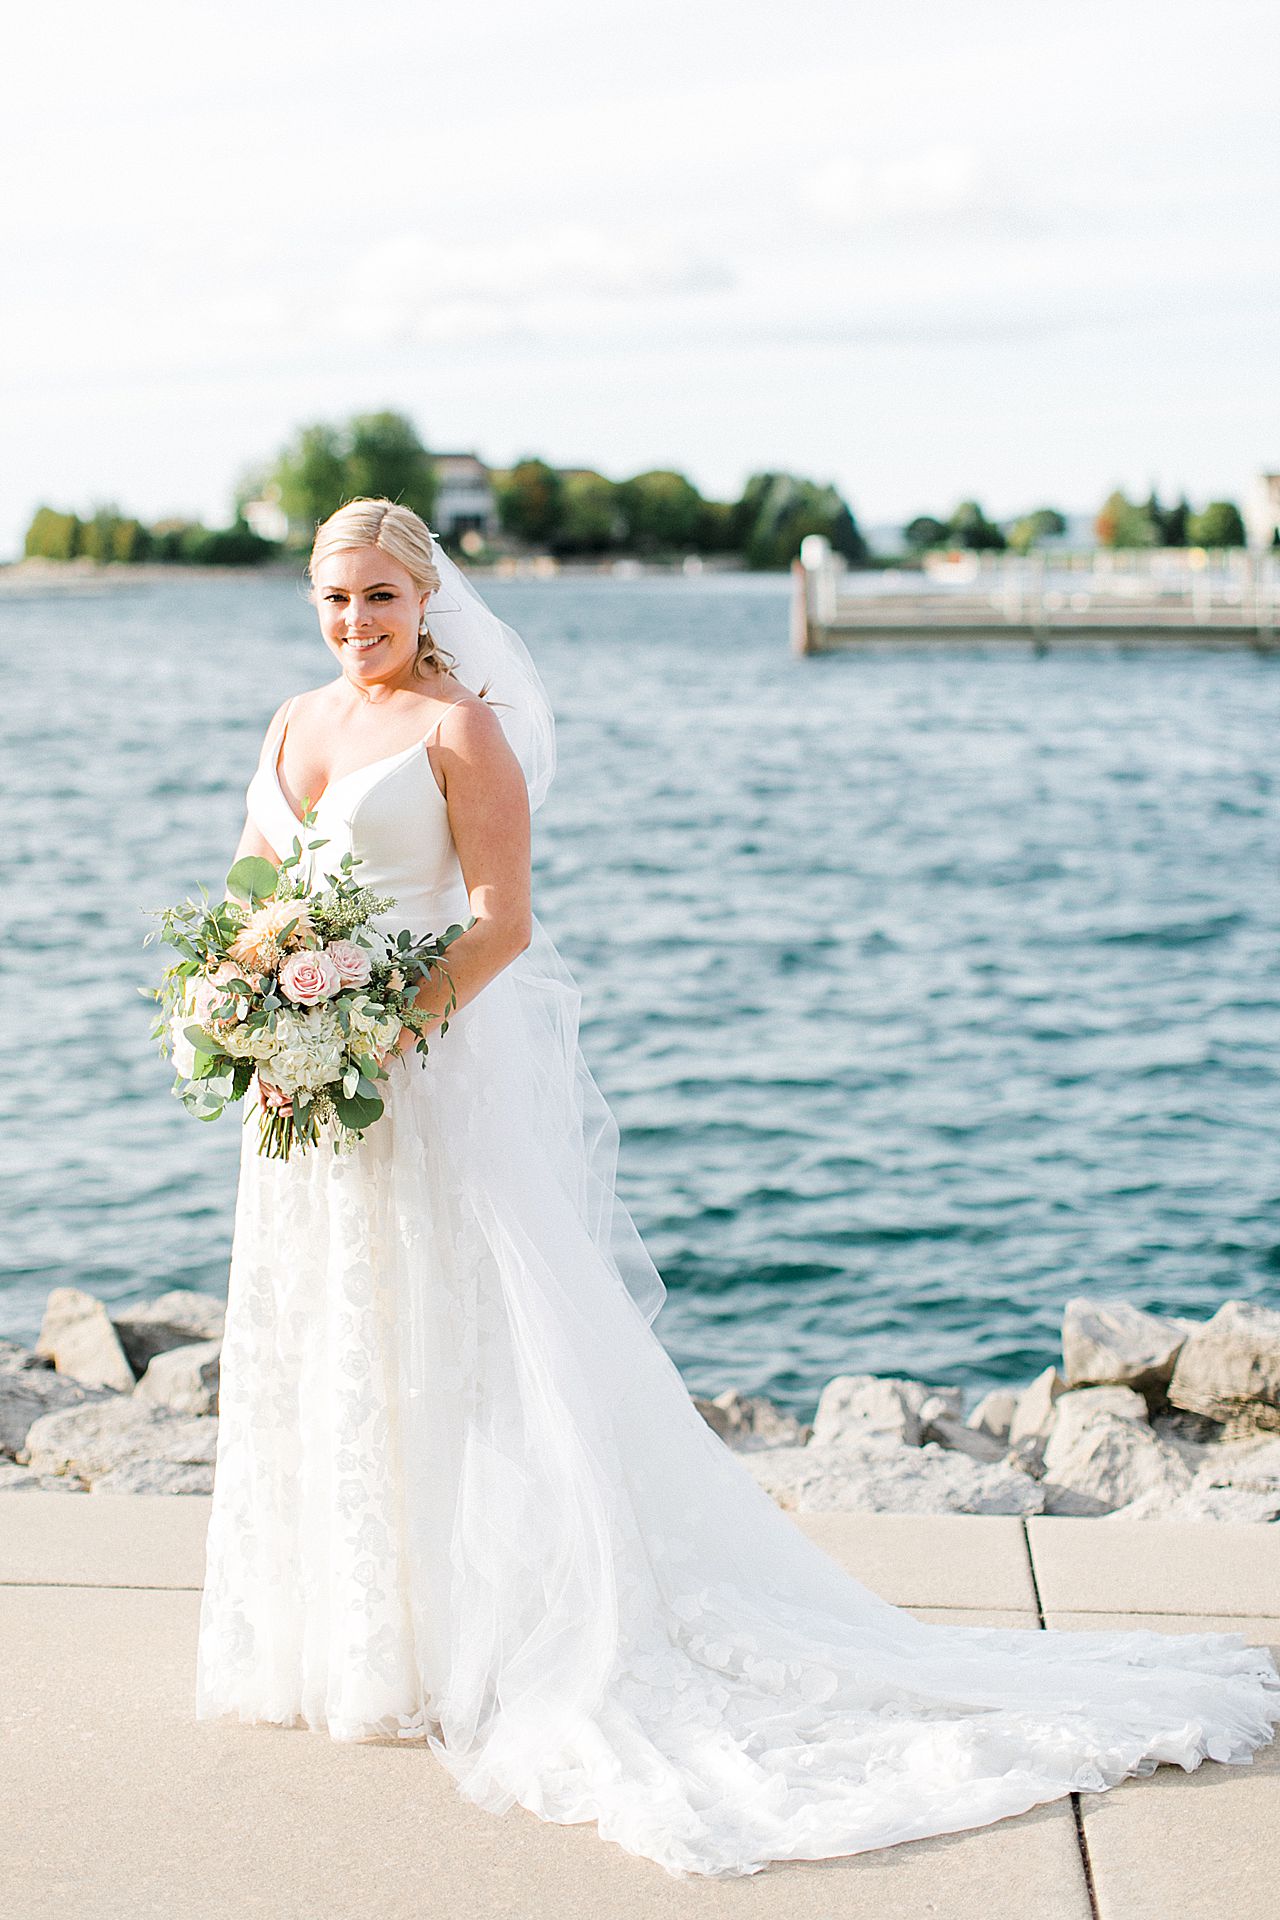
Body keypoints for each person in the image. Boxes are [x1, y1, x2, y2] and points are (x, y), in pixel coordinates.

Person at [195, 498, 1280, 1882]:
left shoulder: (461, 731)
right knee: (343, 1343)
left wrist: (377, 1035)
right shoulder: (294, 723)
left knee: (458, 1350)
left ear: (427, 600)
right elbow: (253, 894)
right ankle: (354, 1635)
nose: (358, 625)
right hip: (307, 1095)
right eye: (335, 600)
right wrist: (250, 1011)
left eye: (382, 601)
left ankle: (479, 1631)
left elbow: (499, 922)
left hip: (418, 1072)